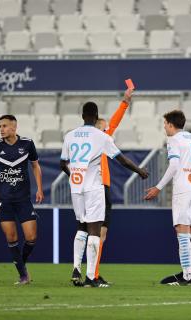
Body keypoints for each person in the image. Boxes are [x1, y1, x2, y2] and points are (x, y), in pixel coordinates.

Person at [60, 102, 148, 288]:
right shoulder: (101, 137)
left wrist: (76, 176)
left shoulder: (69, 135)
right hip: (94, 187)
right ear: (96, 115)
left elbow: (62, 164)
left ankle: (76, 268)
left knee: (81, 227)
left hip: (76, 188)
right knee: (94, 230)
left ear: (82, 115)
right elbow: (121, 160)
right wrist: (139, 171)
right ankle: (91, 277)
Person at [144, 110, 191, 284]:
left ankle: (186, 275)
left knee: (182, 233)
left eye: (164, 124)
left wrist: (158, 187)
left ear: (171, 125)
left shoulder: (173, 140)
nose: (164, 127)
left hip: (184, 190)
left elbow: (173, 165)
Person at [0, 114, 44, 285]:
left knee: (31, 237)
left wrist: (39, 188)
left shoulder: (27, 143)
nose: (1, 129)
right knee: (11, 237)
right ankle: (23, 275)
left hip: (23, 199)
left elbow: (35, 165)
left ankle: (21, 264)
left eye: (4, 126)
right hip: (3, 199)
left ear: (14, 127)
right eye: (0, 126)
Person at [86, 88, 133, 285]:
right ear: (97, 128)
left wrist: (125, 102)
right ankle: (91, 275)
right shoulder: (97, 140)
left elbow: (113, 123)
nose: (108, 131)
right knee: (96, 234)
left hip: (97, 188)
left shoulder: (94, 141)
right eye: (104, 129)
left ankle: (92, 273)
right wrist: (124, 103)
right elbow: (113, 123)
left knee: (98, 234)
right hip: (98, 188)